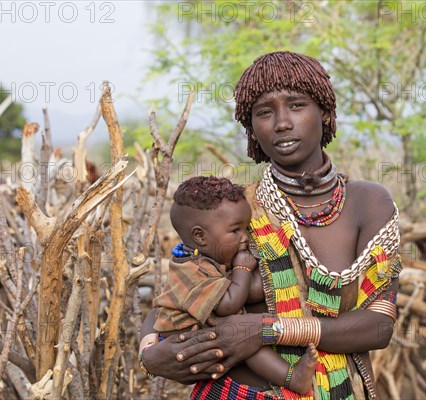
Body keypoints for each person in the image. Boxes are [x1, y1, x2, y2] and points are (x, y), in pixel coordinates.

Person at [139, 51, 402, 399]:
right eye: (264, 112)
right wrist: (150, 353)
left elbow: (378, 327)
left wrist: (264, 330)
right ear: (252, 129)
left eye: (296, 105)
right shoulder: (234, 210)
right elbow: (177, 295)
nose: (281, 123)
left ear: (324, 112)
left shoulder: (368, 203)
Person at [148, 176, 318, 395]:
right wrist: (243, 269)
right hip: (189, 340)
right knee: (245, 340)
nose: (245, 237)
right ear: (200, 236)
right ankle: (293, 379)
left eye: (247, 228)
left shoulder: (202, 258)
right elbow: (228, 304)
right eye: (236, 230)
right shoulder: (192, 270)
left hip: (203, 334)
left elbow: (250, 291)